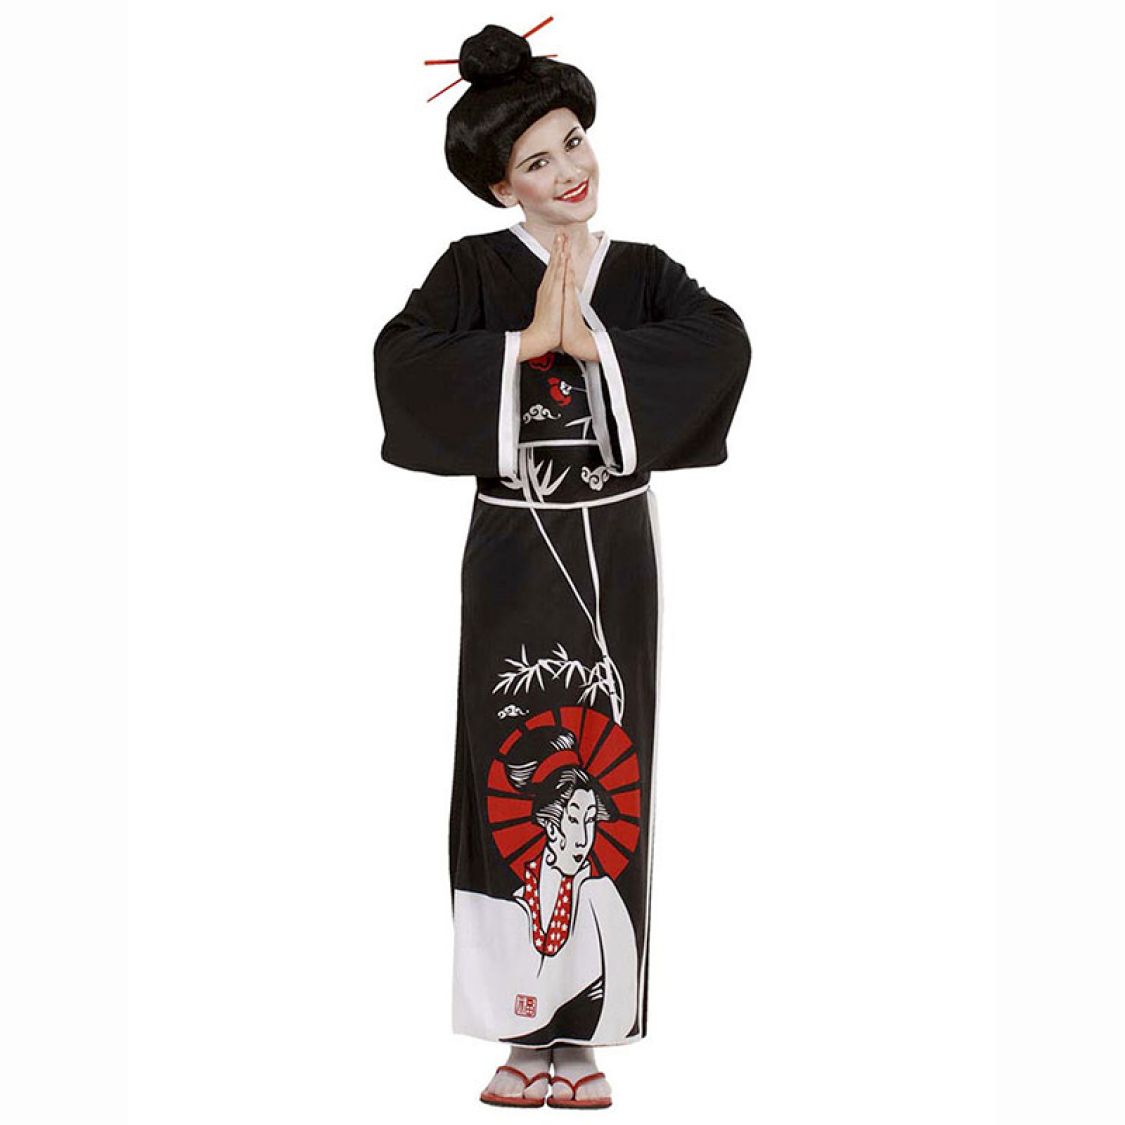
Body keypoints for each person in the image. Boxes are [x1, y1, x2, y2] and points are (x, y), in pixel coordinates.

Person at [373, 20, 751, 1109]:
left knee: (610, 765)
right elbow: (401, 363)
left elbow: (723, 342)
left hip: (615, 548)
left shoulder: (642, 273)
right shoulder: (470, 271)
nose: (568, 171)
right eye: (536, 161)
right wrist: (524, 346)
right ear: (501, 187)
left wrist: (597, 345)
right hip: (511, 548)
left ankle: (585, 1036)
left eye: (573, 142)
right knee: (508, 760)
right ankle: (516, 1023)